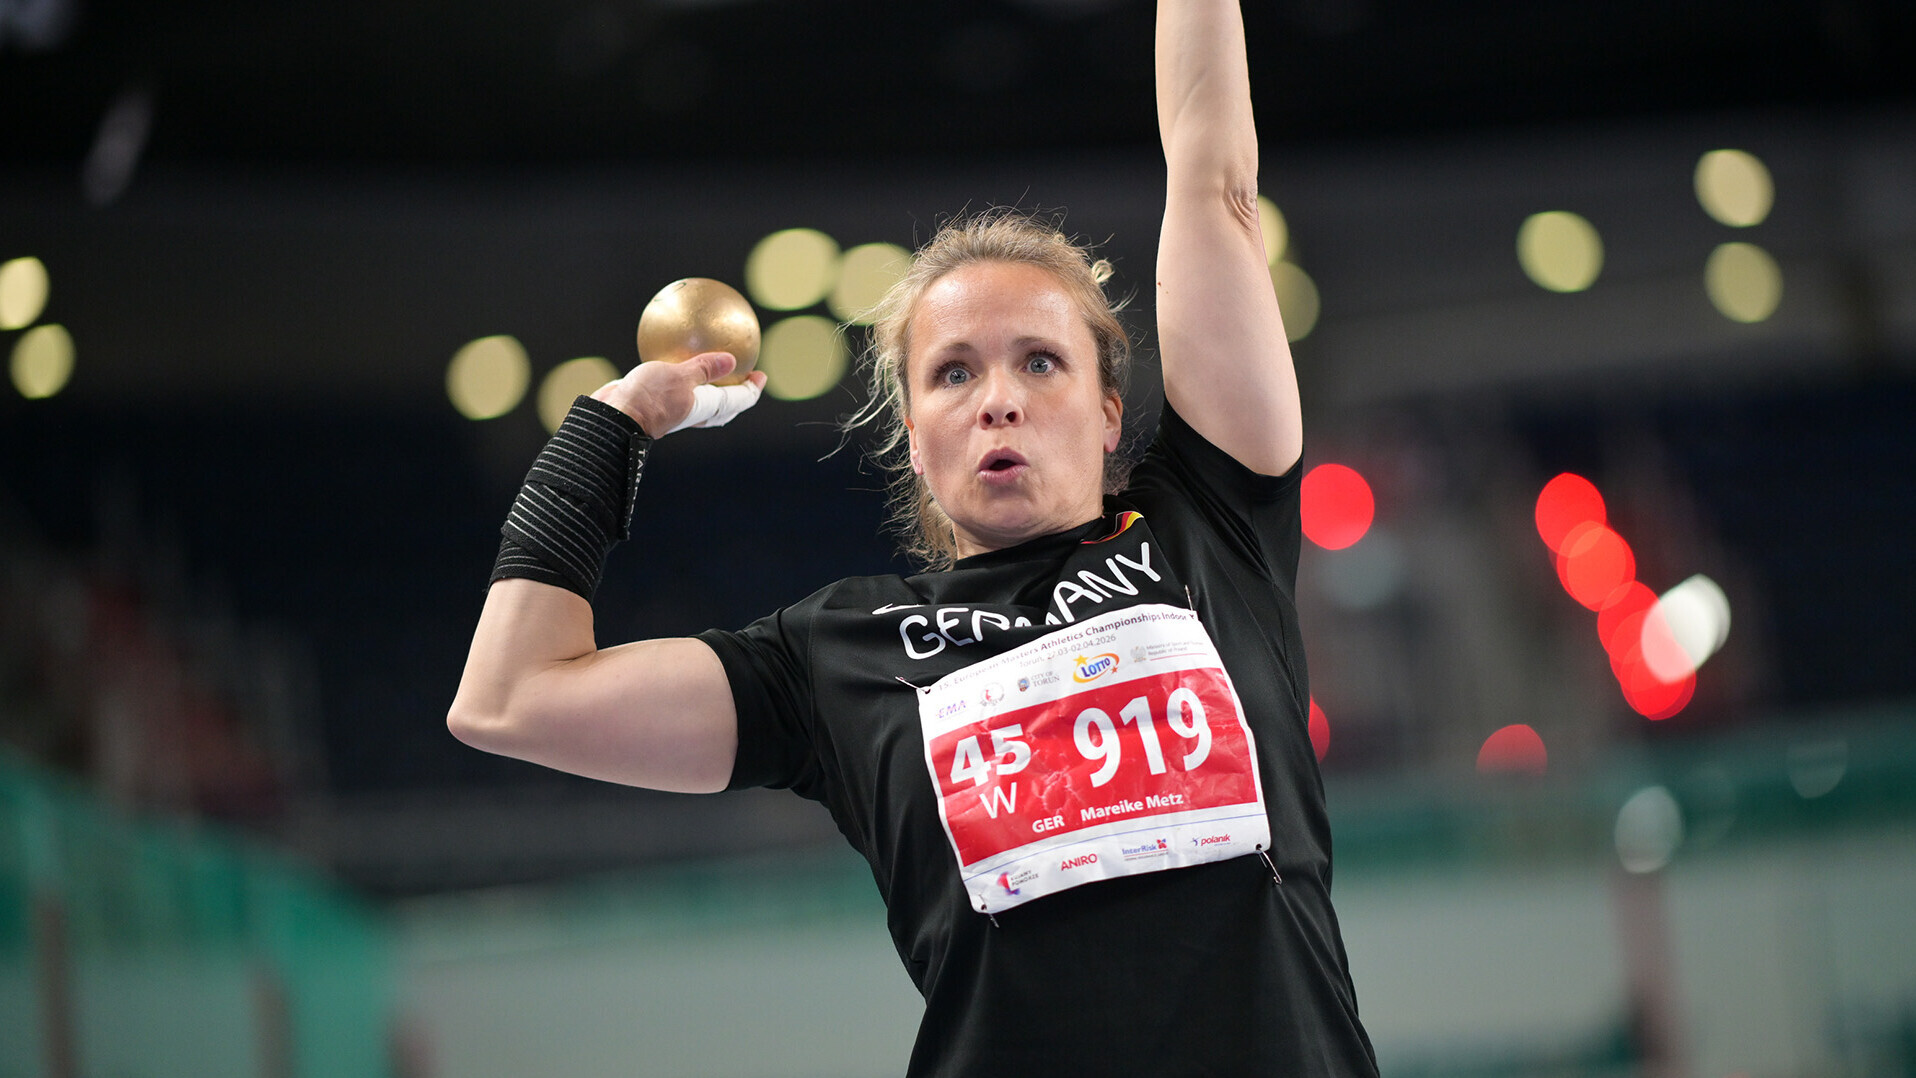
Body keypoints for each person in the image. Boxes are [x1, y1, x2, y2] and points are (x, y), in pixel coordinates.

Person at [449, 1, 1378, 1074]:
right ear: (914, 436)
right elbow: (506, 698)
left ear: (1110, 408)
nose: (998, 398)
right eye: (953, 372)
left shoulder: (1212, 530)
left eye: (1039, 360)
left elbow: (1213, 181)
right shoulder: (834, 659)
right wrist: (609, 426)